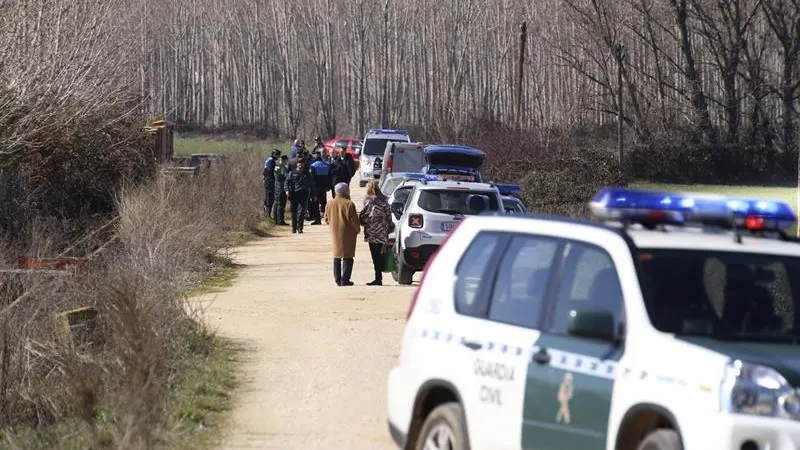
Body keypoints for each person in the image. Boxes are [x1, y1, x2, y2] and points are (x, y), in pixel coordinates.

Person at [324, 182, 360, 286]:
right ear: (345, 192)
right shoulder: (349, 204)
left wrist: (333, 225)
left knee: (337, 256)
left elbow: (326, 219)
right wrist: (357, 230)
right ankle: (345, 279)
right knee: (348, 257)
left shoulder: (329, 203)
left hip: (335, 233)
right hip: (348, 233)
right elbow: (354, 221)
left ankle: (337, 279)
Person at [359, 180, 392, 286]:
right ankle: (379, 274)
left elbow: (364, 215)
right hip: (382, 231)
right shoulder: (384, 200)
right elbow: (389, 215)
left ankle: (378, 278)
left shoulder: (368, 200)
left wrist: (362, 222)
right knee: (380, 253)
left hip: (372, 232)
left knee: (375, 255)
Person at [285, 159, 313, 234]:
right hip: (294, 194)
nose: (300, 165)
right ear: (297, 164)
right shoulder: (292, 173)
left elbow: (311, 184)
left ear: (303, 165)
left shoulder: (307, 173)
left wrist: (314, 194)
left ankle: (300, 227)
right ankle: (294, 228)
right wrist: (287, 190)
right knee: (293, 212)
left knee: (301, 212)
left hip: (303, 195)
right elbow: (287, 182)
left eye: (302, 164)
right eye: (299, 164)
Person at [310, 151, 333, 225]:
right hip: (324, 187)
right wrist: (329, 186)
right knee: (324, 202)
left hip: (316, 187)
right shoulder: (327, 165)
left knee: (316, 203)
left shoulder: (313, 166)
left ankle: (318, 220)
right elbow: (330, 177)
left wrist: (311, 189)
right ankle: (327, 218)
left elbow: (312, 179)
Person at [272, 155, 290, 225]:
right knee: (281, 204)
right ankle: (280, 220)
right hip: (281, 188)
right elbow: (286, 177)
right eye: (286, 160)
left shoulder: (277, 167)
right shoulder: (283, 168)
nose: (287, 161)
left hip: (276, 186)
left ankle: (275, 219)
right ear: (284, 160)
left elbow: (276, 176)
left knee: (276, 203)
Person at [263, 149, 280, 218]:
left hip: (267, 181)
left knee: (267, 198)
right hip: (270, 181)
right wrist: (278, 167)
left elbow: (265, 171)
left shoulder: (268, 160)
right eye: (278, 155)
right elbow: (272, 171)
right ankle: (268, 215)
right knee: (270, 198)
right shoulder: (271, 161)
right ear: (274, 154)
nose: (278, 157)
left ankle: (266, 214)